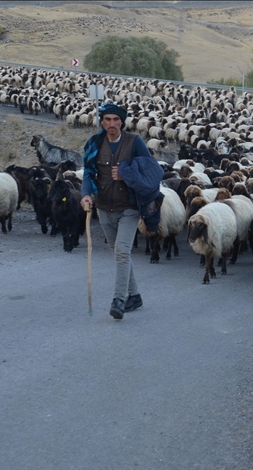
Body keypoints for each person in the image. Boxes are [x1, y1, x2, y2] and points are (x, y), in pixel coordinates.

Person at [80, 103, 155, 320]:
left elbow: (151, 172)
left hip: (129, 207)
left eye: (115, 119)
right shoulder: (94, 143)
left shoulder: (134, 142)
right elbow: (88, 173)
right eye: (107, 119)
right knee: (118, 253)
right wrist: (86, 195)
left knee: (122, 252)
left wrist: (127, 176)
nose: (111, 124)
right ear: (101, 121)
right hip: (104, 208)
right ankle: (134, 296)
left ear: (122, 121)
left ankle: (119, 300)